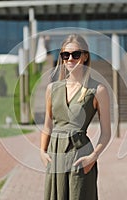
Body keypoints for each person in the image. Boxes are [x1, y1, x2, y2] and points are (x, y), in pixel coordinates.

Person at [40, 34, 111, 200]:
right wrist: (42, 152)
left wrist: (93, 157)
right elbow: (47, 126)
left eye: (75, 54)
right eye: (66, 55)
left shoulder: (98, 90)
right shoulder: (52, 88)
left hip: (80, 157)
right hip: (55, 155)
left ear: (85, 56)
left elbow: (106, 132)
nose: (70, 58)